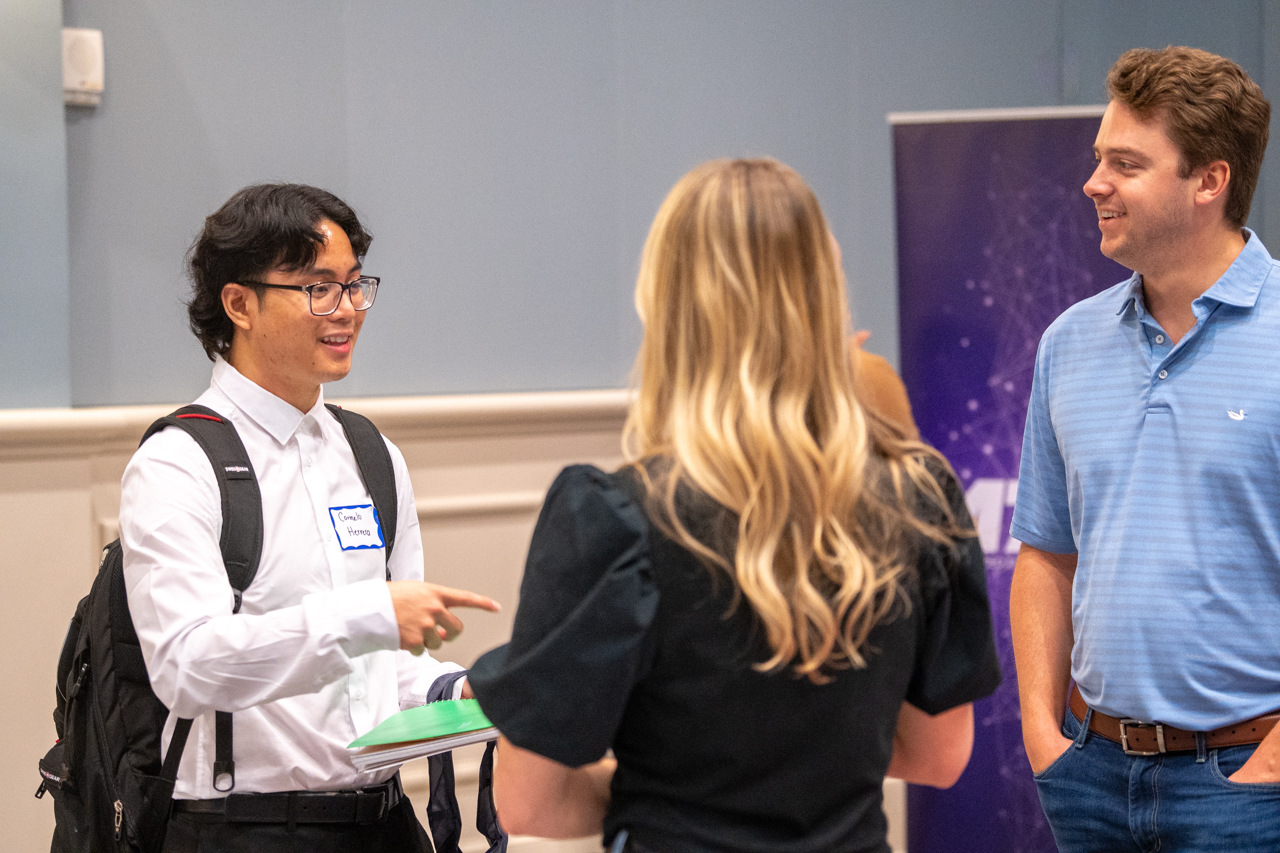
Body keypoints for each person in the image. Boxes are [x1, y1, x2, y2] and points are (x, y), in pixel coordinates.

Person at [468, 158, 1002, 853]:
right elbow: (938, 754)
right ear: (825, 296)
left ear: (667, 304)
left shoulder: (616, 517)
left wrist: (655, 791)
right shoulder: (919, 496)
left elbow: (525, 799)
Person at [120, 183, 499, 852]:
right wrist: (369, 613)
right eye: (319, 288)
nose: (347, 309)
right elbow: (187, 665)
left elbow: (383, 671)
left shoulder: (372, 454)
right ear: (239, 302)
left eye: (355, 286)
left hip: (383, 821)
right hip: (245, 829)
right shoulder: (179, 461)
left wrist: (464, 690)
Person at [1010, 46, 1279, 851]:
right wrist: (1042, 738)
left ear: (1209, 181)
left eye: (1125, 164)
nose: (1094, 183)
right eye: (1100, 159)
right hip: (1088, 776)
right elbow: (1045, 555)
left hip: (1245, 789)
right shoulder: (1067, 342)